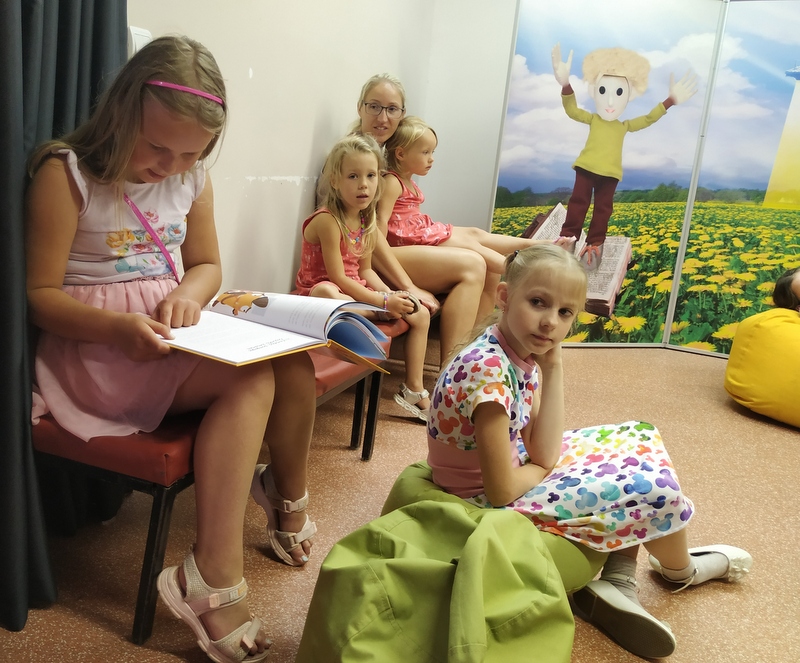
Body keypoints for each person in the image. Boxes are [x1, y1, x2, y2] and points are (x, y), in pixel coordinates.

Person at [26, 35, 316, 663]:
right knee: (250, 380)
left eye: (190, 153)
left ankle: (284, 498)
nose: (170, 165)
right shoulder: (66, 174)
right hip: (96, 351)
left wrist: (188, 293)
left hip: (166, 332)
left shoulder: (191, 178)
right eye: (157, 146)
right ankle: (211, 576)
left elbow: (207, 264)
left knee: (293, 361)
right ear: (122, 110)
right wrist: (118, 330)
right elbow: (39, 296)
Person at [426, 244, 752, 659]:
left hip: (516, 467)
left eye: (565, 312)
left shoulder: (514, 353)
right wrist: (543, 467)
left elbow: (541, 445)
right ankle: (679, 572)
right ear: (504, 296)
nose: (550, 322)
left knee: (637, 436)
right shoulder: (489, 372)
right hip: (481, 500)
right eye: (538, 302)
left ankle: (620, 579)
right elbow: (503, 489)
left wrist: (553, 366)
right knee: (652, 487)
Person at [348, 74, 490, 364]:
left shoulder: (383, 154)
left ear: (402, 114)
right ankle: (451, 371)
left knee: (488, 267)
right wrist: (408, 286)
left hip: (380, 252)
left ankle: (472, 359)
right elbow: (369, 234)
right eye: (374, 106)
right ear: (360, 107)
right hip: (362, 259)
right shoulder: (355, 156)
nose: (383, 117)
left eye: (392, 109)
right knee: (473, 264)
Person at [296, 134, 433, 421]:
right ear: (335, 181)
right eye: (353, 176)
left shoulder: (365, 220)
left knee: (420, 314)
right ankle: (371, 312)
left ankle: (413, 388)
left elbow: (365, 271)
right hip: (322, 292)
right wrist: (382, 303)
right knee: (326, 292)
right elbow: (338, 277)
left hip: (357, 295)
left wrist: (392, 296)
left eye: (371, 176)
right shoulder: (327, 220)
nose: (363, 184)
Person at [552, 43, 697, 270]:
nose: (611, 101)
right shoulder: (593, 119)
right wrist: (565, 85)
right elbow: (571, 110)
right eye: (603, 91)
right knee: (578, 203)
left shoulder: (624, 126)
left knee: (603, 210)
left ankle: (594, 245)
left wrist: (670, 101)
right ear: (594, 91)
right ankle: (568, 240)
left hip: (610, 174)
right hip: (586, 168)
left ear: (629, 96)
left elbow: (648, 119)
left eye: (619, 93)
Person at [379, 116, 571, 277]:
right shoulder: (392, 182)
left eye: (432, 152)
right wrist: (379, 253)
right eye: (425, 152)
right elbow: (381, 220)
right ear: (401, 154)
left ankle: (537, 244)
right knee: (468, 244)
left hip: (421, 230)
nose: (432, 158)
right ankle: (523, 269)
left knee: (475, 233)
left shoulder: (408, 182)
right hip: (410, 238)